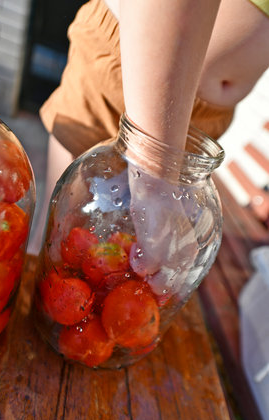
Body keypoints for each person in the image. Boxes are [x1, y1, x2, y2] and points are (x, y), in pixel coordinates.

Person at [28, 0, 269, 255]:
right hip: (131, 72)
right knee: (57, 244)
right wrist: (155, 175)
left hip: (207, 118)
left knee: (129, 264)